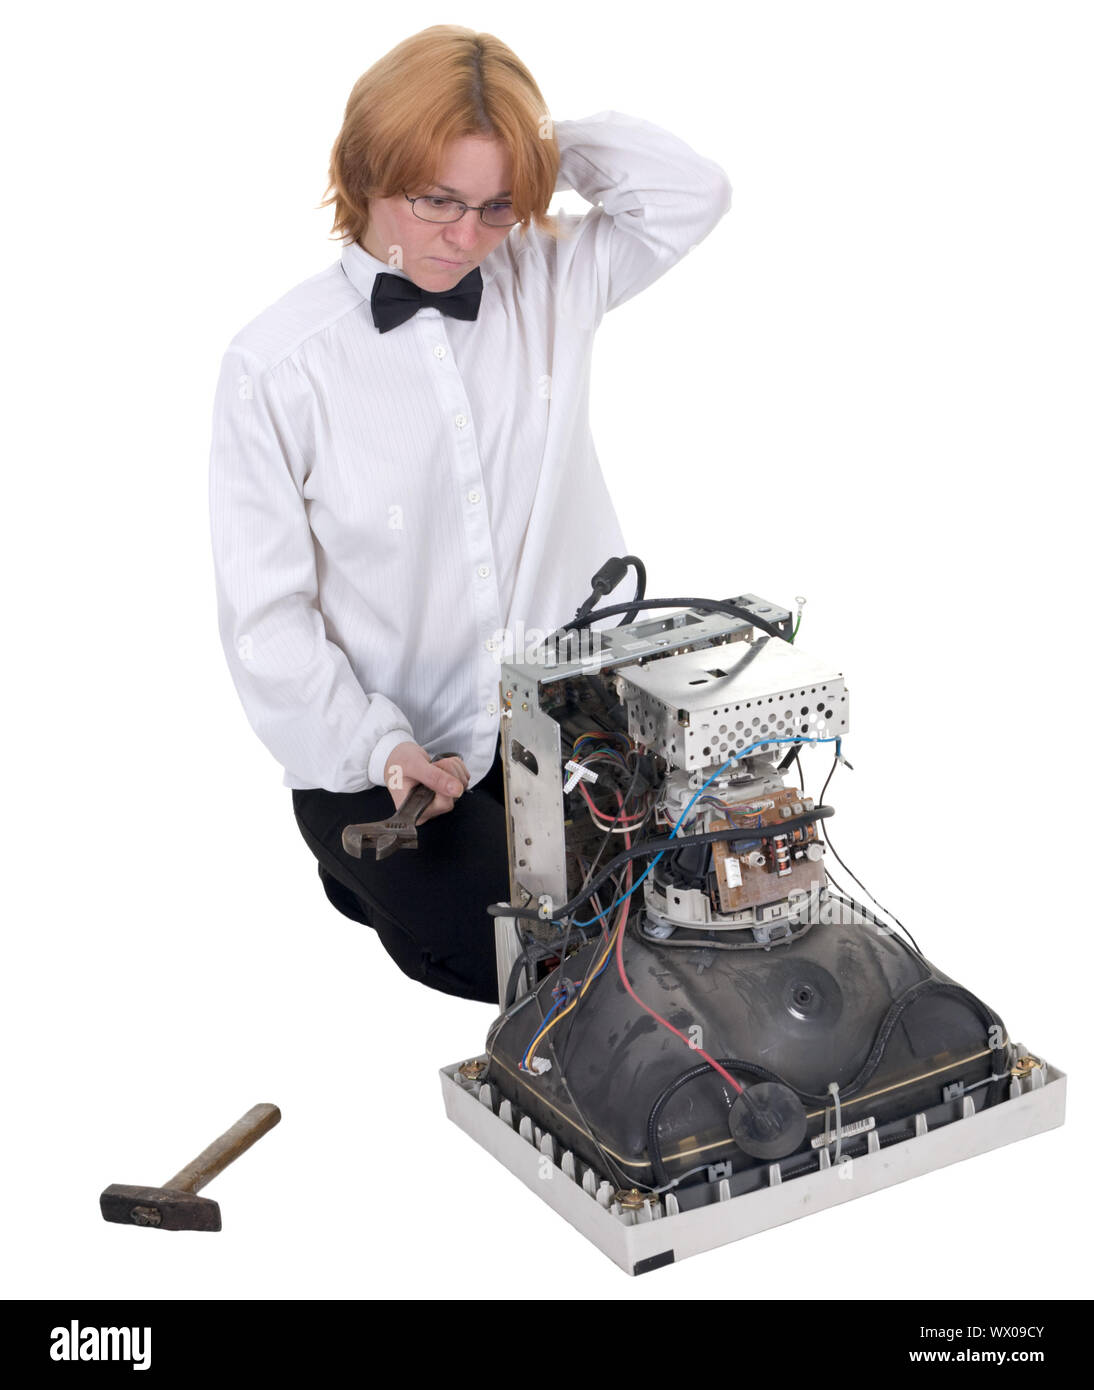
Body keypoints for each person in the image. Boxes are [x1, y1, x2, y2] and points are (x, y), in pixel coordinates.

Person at [208, 25, 731, 1005]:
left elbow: (688, 194)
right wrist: (378, 744)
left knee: (698, 917)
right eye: (435, 199)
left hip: (562, 730)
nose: (464, 235)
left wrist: (531, 145)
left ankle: (409, 894)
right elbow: (266, 621)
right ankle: (373, 877)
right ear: (366, 172)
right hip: (391, 761)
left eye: (496, 206)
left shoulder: (550, 273)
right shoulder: (273, 369)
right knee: (550, 973)